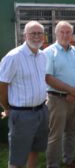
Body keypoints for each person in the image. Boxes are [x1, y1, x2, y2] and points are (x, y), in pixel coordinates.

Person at [0, 21, 49, 168]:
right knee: (17, 158)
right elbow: (2, 85)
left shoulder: (42, 56)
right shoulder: (13, 56)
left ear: (44, 36)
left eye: (39, 33)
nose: (36, 36)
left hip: (41, 111)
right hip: (21, 115)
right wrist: (7, 107)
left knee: (35, 149)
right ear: (25, 35)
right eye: (32, 33)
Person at [44, 21, 75, 168]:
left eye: (68, 32)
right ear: (56, 33)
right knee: (55, 135)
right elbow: (48, 77)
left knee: (71, 132)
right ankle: (53, 164)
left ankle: (69, 160)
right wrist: (72, 90)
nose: (65, 35)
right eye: (62, 32)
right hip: (57, 100)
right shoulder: (49, 52)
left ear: (72, 34)